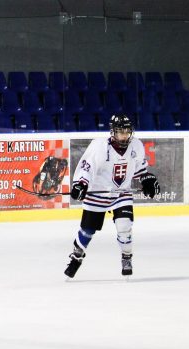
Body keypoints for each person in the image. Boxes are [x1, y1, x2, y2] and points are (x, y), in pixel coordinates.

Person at [63, 114, 159, 278]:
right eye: (121, 132)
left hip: (121, 194)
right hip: (97, 194)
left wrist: (146, 179)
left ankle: (126, 257)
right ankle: (77, 256)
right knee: (87, 231)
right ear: (113, 132)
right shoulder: (100, 146)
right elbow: (87, 168)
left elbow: (139, 170)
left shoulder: (136, 145)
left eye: (127, 131)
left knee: (124, 226)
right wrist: (81, 184)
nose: (125, 135)